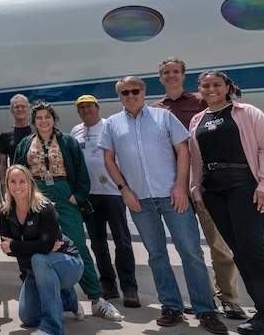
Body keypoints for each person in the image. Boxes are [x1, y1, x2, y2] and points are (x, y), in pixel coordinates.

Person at [98, 76, 228, 334]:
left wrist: (181, 186)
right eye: (125, 92)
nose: (130, 95)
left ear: (144, 92)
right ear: (119, 95)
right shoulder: (112, 124)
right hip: (139, 200)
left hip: (172, 195)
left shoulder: (164, 117)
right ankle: (171, 306)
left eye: (135, 90)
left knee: (190, 252)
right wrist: (124, 190)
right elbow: (109, 160)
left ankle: (205, 310)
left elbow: (184, 151)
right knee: (156, 255)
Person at [189, 71, 264, 335]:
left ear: (226, 87)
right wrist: (196, 192)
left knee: (254, 250)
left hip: (246, 186)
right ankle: (263, 314)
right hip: (213, 190)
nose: (211, 89)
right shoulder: (198, 119)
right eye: (205, 86)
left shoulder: (248, 112)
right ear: (199, 90)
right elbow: (196, 160)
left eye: (216, 85)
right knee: (239, 252)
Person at [152, 57, 246, 320]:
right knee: (189, 248)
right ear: (160, 78)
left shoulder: (202, 102)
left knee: (218, 244)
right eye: (166, 72)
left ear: (183, 75)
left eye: (175, 72)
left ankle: (229, 299)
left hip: (204, 184)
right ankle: (202, 299)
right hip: (172, 187)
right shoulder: (155, 109)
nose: (171, 76)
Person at [13, 100, 123, 322]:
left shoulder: (68, 141)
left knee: (78, 247)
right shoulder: (25, 144)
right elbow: (17, 173)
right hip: (36, 196)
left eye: (47, 117)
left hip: (64, 195)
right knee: (41, 249)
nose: (44, 121)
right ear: (34, 122)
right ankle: (64, 299)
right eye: (39, 118)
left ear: (54, 119)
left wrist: (80, 196)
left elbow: (81, 171)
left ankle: (97, 299)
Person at [69, 95, 140, 308]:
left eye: (89, 106)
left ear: (97, 107)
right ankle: (108, 284)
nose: (85, 110)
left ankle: (130, 288)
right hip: (89, 195)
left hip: (113, 194)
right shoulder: (75, 132)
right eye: (81, 107)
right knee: (98, 243)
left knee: (123, 242)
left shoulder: (110, 126)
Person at [0, 165, 84, 335]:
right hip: (33, 270)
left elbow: (15, 247)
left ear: (30, 183)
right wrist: (39, 246)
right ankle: (68, 299)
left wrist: (18, 246)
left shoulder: (45, 208)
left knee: (39, 259)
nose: (17, 186)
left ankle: (52, 328)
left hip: (69, 263)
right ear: (6, 185)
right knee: (28, 317)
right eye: (12, 182)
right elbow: (7, 249)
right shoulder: (5, 212)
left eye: (22, 181)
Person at [0, 94, 32, 196]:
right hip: (17, 183)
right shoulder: (5, 135)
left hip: (36, 180)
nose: (20, 109)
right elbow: (3, 164)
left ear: (28, 109)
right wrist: (4, 187)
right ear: (11, 111)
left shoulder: (37, 131)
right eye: (16, 107)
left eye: (23, 106)